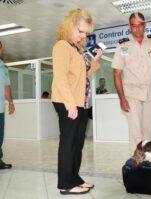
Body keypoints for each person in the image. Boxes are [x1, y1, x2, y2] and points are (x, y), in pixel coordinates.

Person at [51, 8, 103, 195]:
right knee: (68, 142)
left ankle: (74, 178)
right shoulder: (62, 46)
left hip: (79, 102)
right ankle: (65, 184)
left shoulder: (76, 49)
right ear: (70, 25)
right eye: (80, 31)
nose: (82, 36)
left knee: (78, 143)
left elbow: (84, 77)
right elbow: (61, 77)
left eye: (86, 33)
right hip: (67, 101)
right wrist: (70, 104)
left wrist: (95, 60)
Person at [112, 12, 151, 154]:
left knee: (148, 130)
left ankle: (147, 160)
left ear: (145, 25)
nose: (137, 29)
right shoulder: (123, 45)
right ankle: (136, 164)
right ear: (129, 27)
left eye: (140, 25)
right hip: (131, 93)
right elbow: (117, 73)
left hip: (149, 93)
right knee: (135, 132)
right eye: (133, 26)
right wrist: (122, 99)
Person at [0, 41, 15, 169]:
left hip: (0, 109)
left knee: (0, 136)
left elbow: (6, 87)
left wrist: (11, 102)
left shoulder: (3, 67)